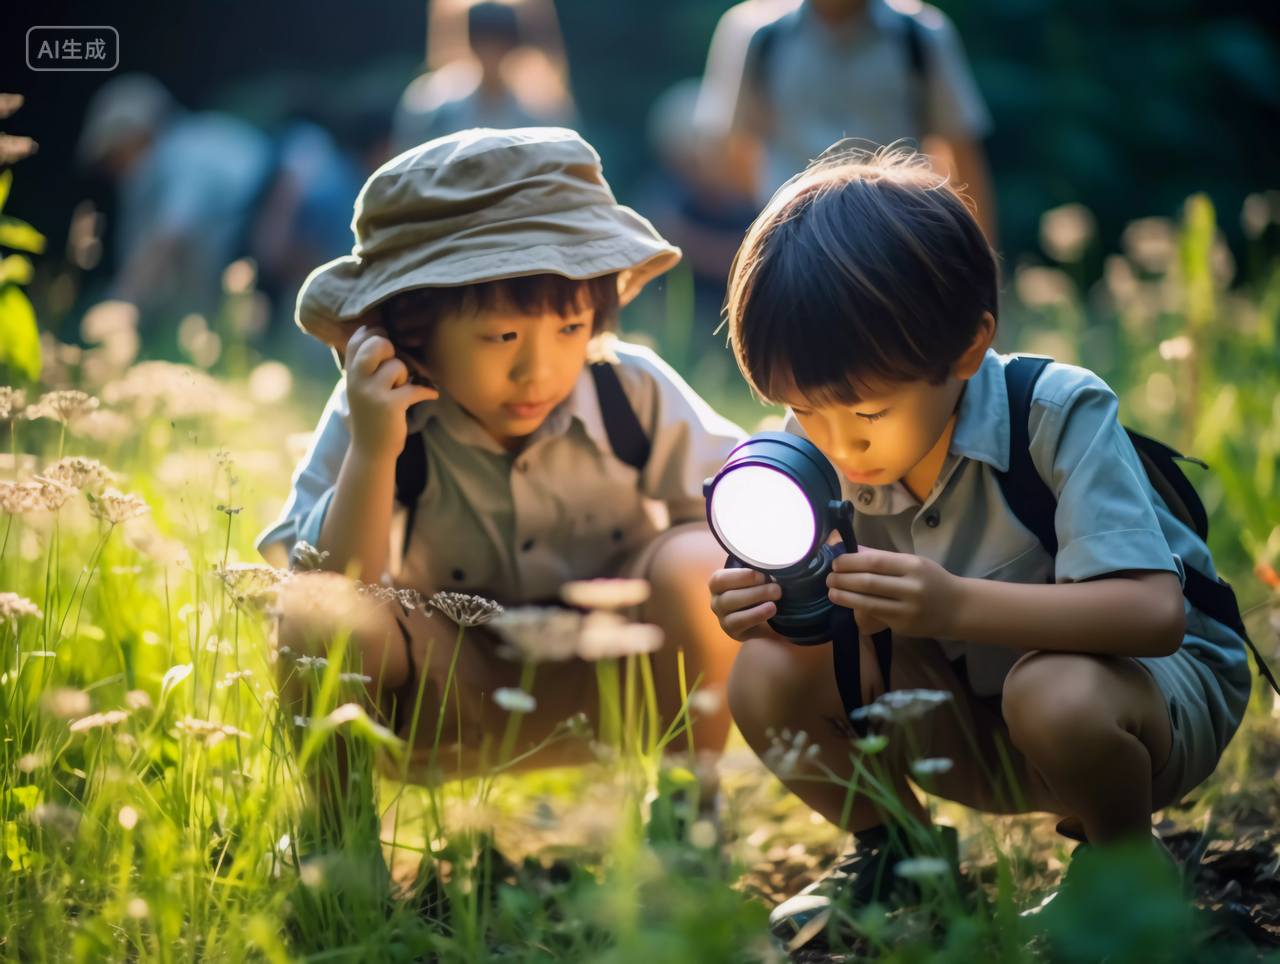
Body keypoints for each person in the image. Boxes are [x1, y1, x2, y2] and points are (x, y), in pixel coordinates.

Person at [709, 145, 1251, 948]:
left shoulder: (1055, 414)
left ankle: (1125, 869)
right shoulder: (812, 445)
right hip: (970, 717)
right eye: (804, 411)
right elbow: (811, 621)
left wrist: (954, 605)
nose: (838, 442)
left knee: (1053, 690)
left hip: (1143, 710)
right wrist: (763, 604)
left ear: (967, 348)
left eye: (866, 412)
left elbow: (1154, 615)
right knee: (764, 671)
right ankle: (899, 852)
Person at [257, 127, 746, 779]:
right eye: (501, 336)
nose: (537, 370)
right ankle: (338, 832)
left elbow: (743, 501)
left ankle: (690, 801)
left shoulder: (628, 391)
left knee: (699, 558)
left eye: (570, 327)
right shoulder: (378, 411)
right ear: (413, 332)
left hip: (619, 678)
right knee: (315, 614)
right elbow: (326, 586)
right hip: (449, 698)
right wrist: (374, 453)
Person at [695, 0, 998, 241]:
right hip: (789, 243)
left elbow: (961, 156)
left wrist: (979, 265)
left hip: (897, 244)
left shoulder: (922, 34)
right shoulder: (756, 34)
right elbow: (735, 153)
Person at [76, 74, 275, 330]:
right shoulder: (185, 143)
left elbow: (169, 237)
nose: (111, 170)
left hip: (277, 234)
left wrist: (119, 302)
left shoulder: (180, 157)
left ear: (137, 136)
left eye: (113, 155)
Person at [392, 1, 577, 154]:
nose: (491, 52)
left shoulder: (540, 111)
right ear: (472, 42)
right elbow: (410, 163)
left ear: (513, 45)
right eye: (484, 42)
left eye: (499, 42)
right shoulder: (432, 104)